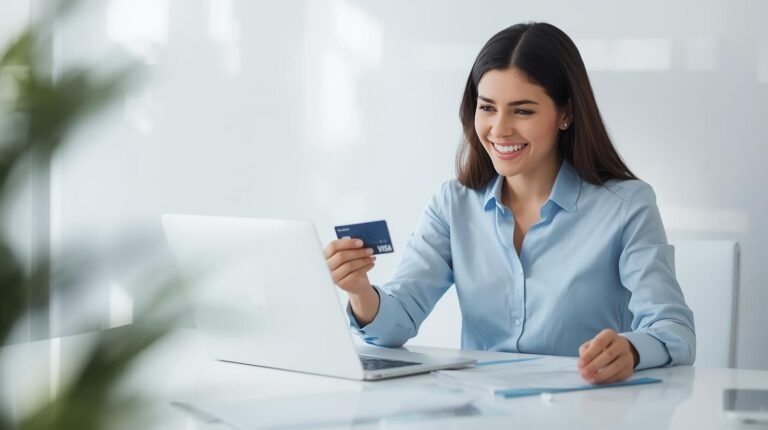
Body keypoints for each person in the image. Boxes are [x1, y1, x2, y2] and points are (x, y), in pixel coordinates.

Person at [323, 22, 695, 385]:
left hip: (582, 409)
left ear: (565, 113)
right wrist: (359, 290)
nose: (499, 129)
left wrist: (630, 350)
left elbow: (673, 330)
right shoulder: (454, 204)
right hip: (480, 412)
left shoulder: (626, 205)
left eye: (523, 110)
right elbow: (398, 321)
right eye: (487, 108)